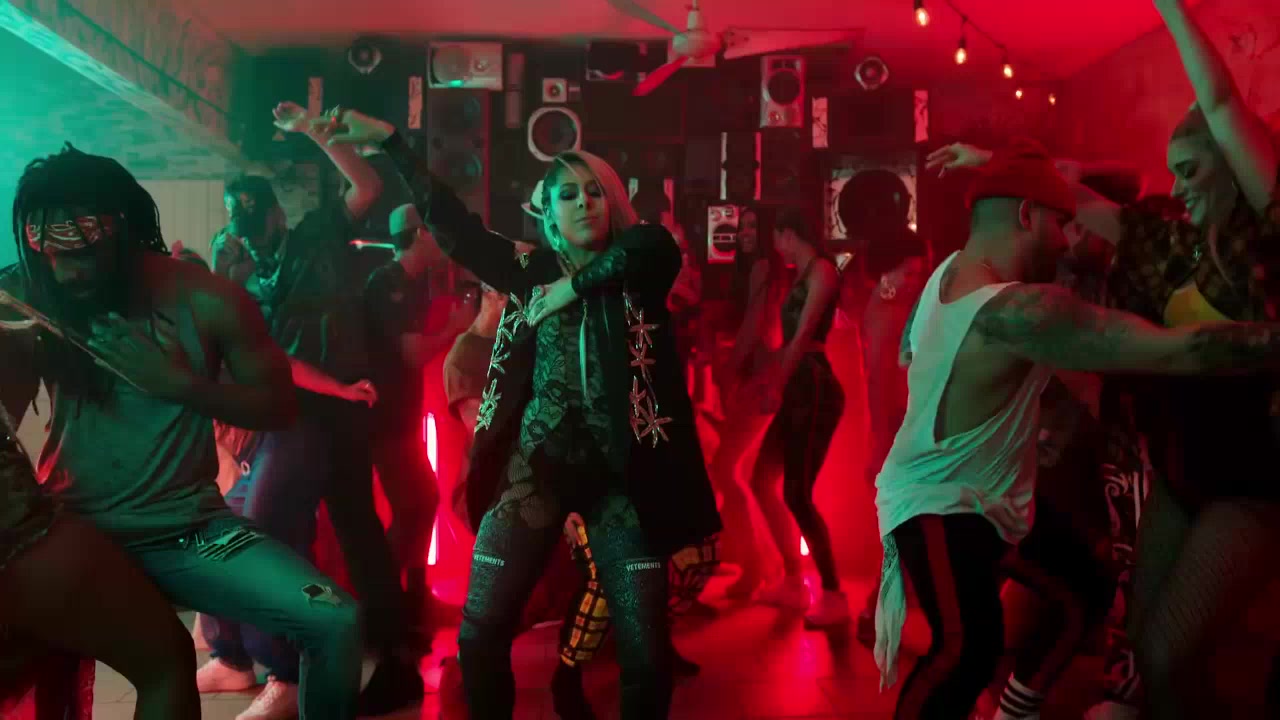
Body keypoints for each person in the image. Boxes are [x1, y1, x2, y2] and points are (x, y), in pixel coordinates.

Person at [316, 105, 722, 719]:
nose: (584, 202)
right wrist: (394, 144)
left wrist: (573, 288)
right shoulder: (528, 268)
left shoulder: (641, 265)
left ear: (612, 202)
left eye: (595, 192)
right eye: (569, 194)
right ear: (549, 213)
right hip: (535, 472)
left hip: (624, 479)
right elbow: (453, 227)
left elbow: (653, 242)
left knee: (645, 652)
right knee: (480, 635)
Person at [875, 137, 1280, 719]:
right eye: (1060, 225)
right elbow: (1176, 351)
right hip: (944, 505)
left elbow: (913, 356)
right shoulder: (1016, 310)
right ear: (1025, 216)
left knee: (1081, 590)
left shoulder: (948, 272)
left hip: (997, 500)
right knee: (967, 651)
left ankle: (1015, 714)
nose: (1068, 241)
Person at [0, 143, 364, 719]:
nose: (67, 272)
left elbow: (279, 406)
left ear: (122, 232)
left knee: (336, 619)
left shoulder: (208, 299)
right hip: (75, 528)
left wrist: (177, 384)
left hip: (188, 532)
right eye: (52, 253)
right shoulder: (31, 293)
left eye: (85, 253)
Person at [202, 100, 425, 719]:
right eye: (240, 222)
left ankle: (366, 662)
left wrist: (313, 133)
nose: (251, 229)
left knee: (336, 532)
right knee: (282, 533)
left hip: (336, 410)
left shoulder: (313, 237)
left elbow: (367, 184)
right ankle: (267, 663)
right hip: (288, 415)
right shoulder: (245, 271)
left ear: (277, 212)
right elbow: (240, 348)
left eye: (256, 216)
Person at [733, 207, 848, 625]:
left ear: (787, 233)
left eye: (777, 237)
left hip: (813, 386)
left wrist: (776, 385)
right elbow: (788, 344)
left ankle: (833, 594)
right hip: (800, 385)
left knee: (797, 493)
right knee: (761, 478)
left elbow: (803, 337)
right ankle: (794, 579)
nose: (776, 247)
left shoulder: (822, 271)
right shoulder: (802, 274)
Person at [364, 203, 468, 634]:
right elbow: (410, 353)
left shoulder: (409, 282)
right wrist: (456, 327)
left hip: (400, 420)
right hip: (383, 422)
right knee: (414, 507)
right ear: (419, 233)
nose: (441, 242)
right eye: (435, 232)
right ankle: (386, 611)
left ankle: (410, 605)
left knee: (420, 504)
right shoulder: (387, 283)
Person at [708, 205, 787, 599]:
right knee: (738, 473)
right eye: (742, 227)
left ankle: (759, 566)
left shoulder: (763, 268)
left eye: (754, 226)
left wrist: (729, 370)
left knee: (728, 470)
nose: (745, 234)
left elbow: (758, 327)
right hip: (761, 376)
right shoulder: (764, 269)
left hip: (760, 378)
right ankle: (764, 565)